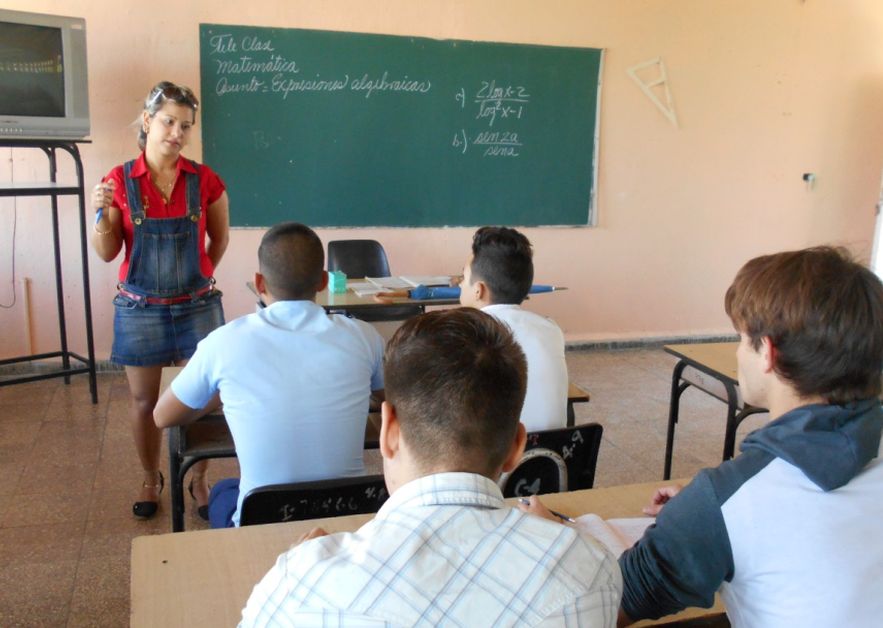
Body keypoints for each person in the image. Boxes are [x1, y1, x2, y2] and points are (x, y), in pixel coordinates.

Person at [525, 246, 883, 627]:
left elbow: (605, 604)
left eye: (742, 338)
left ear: (768, 354)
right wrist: (699, 513)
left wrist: (559, 534)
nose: (737, 351)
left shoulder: (725, 503)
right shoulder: (725, 501)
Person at [239, 307, 621, 626]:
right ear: (516, 447)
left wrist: (303, 566)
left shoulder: (302, 586)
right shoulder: (590, 570)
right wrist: (564, 542)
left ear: (388, 429)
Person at [154, 222, 385, 528]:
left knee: (225, 490)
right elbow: (393, 399)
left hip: (263, 519)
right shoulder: (365, 337)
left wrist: (221, 396)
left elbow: (162, 416)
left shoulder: (224, 342)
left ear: (259, 282)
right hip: (347, 515)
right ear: (324, 281)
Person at [91, 80, 229, 519]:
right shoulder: (117, 180)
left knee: (204, 396)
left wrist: (199, 278)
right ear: (149, 121)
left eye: (186, 126)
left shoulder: (205, 179)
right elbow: (108, 252)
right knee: (143, 402)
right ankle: (151, 478)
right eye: (169, 121)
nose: (177, 132)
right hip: (139, 308)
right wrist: (99, 215)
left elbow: (219, 239)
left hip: (197, 306)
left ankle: (199, 480)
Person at [459, 226, 568, 432]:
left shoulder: (469, 334)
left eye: (463, 278)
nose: (460, 285)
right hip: (553, 458)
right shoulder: (551, 330)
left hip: (500, 461)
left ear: (478, 290)